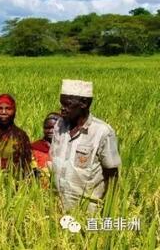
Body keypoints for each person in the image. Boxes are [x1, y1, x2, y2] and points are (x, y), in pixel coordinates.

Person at [50, 79, 121, 212]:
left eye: (68, 104)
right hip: (57, 208)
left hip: (86, 211)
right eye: (61, 104)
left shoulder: (102, 132)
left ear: (84, 103)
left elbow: (112, 174)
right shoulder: (59, 125)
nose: (62, 109)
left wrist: (110, 209)